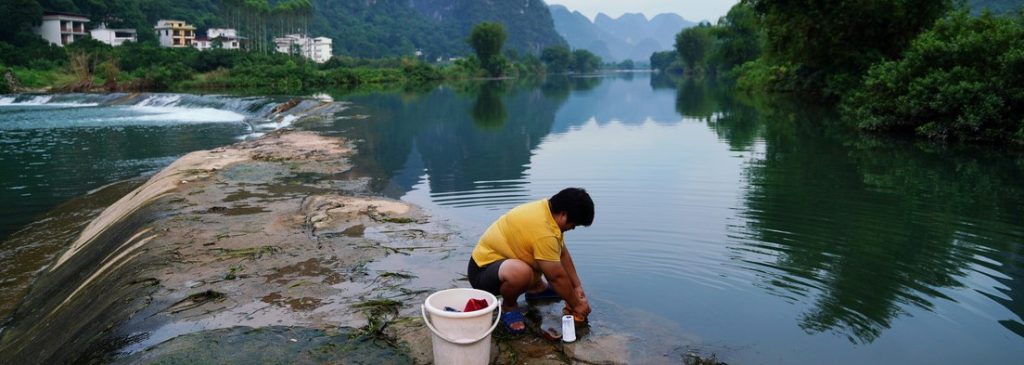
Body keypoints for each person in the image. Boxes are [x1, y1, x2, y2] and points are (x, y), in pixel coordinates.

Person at [467, 187, 594, 333]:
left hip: (502, 265)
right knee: (522, 273)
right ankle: (509, 307)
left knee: (545, 257)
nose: (572, 228)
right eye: (574, 225)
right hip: (482, 272)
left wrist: (576, 287)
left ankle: (537, 288)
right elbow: (556, 277)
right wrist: (577, 305)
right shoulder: (543, 231)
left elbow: (562, 254)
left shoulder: (546, 212)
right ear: (564, 215)